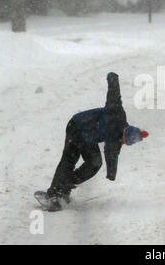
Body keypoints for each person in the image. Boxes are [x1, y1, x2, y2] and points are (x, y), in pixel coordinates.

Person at [39, 72, 148, 211]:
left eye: (125, 143)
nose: (123, 143)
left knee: (94, 163)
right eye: (125, 141)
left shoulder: (117, 138)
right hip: (77, 126)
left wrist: (111, 173)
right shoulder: (116, 113)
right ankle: (53, 194)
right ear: (126, 133)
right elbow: (114, 96)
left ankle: (65, 187)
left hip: (88, 138)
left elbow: (112, 154)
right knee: (69, 159)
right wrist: (113, 79)